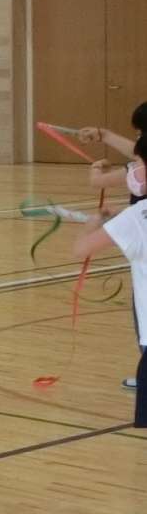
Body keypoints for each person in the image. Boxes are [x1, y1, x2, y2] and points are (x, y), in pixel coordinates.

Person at [74, 135, 147, 418]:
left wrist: (93, 225)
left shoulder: (137, 217)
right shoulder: (134, 216)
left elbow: (81, 249)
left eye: (138, 163)